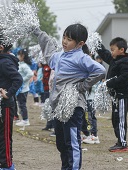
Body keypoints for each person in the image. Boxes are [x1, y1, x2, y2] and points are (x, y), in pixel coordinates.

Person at [33, 23, 106, 170]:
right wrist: (37, 31)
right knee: (61, 143)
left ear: (80, 43)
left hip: (73, 106)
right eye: (64, 37)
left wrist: (82, 86)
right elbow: (48, 49)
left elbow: (100, 70)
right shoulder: (59, 56)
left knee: (72, 143)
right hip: (58, 107)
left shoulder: (81, 58)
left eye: (69, 39)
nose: (65, 41)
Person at [0, 30, 22, 170]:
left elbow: (18, 79)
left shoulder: (5, 62)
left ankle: (8, 165)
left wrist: (8, 93)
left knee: (5, 136)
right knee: (0, 135)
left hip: (6, 105)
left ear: (0, 47)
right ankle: (4, 163)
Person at [96, 37, 128, 152]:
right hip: (115, 96)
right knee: (115, 119)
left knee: (120, 119)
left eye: (113, 49)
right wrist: (97, 44)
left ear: (121, 50)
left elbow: (124, 79)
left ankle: (123, 144)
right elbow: (105, 55)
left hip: (122, 96)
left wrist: (108, 83)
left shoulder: (126, 63)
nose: (111, 52)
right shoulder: (116, 59)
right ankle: (119, 140)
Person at [15, 48, 33, 127]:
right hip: (20, 89)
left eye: (19, 55)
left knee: (22, 105)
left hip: (23, 89)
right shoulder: (20, 64)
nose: (18, 56)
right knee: (20, 104)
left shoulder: (24, 66)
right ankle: (24, 119)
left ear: (23, 56)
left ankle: (25, 120)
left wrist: (22, 80)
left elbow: (30, 74)